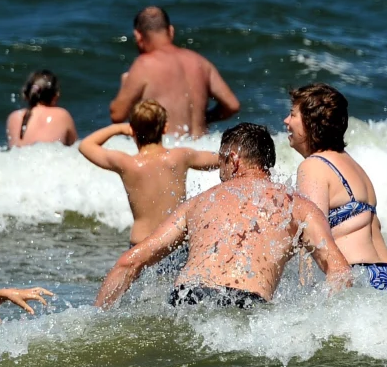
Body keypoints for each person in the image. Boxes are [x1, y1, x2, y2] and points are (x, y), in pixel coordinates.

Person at [95, 123, 353, 310]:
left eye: (221, 162)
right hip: (246, 306)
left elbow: (130, 262)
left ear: (233, 159)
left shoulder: (198, 203)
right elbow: (339, 270)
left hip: (186, 299)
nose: (220, 169)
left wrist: (97, 321)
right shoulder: (298, 206)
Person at [283, 83, 387, 293]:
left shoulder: (314, 165)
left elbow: (312, 236)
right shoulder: (352, 165)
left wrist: (304, 295)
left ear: (310, 121)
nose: (286, 121)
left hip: (360, 278)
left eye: (292, 114)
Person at [80, 99, 219, 248]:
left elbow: (85, 146)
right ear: (165, 128)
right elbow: (220, 159)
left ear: (132, 130)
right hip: (174, 242)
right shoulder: (179, 157)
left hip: (141, 245)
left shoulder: (127, 164)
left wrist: (119, 128)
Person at [108, 6, 240, 138]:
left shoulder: (144, 64)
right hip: (202, 149)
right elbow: (232, 105)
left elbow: (117, 115)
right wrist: (205, 118)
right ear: (171, 31)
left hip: (169, 152)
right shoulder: (200, 61)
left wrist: (126, 86)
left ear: (138, 36)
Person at [6, 70, 77, 147]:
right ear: (55, 97)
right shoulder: (62, 115)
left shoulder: (14, 117)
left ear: (27, 95)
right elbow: (76, 150)